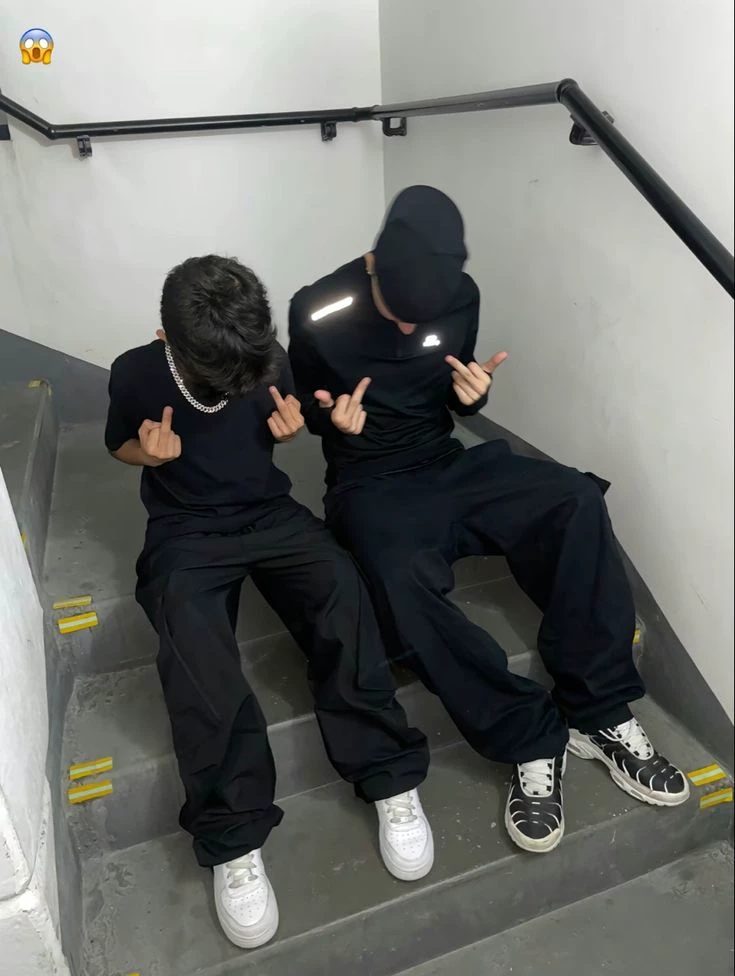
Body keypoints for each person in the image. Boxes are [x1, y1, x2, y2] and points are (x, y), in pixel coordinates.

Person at [288, 185, 689, 857]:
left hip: (445, 460)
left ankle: (597, 708)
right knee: (395, 574)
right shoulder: (315, 308)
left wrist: (472, 397)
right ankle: (527, 735)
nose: (410, 330)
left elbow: (450, 389)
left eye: (421, 319)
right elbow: (301, 404)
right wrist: (331, 419)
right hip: (367, 479)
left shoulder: (460, 294)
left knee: (573, 499)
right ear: (371, 265)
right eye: (398, 314)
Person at [104, 255, 434, 951]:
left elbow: (296, 416)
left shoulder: (268, 356)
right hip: (186, 528)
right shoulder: (134, 371)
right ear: (167, 338)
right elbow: (118, 445)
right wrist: (148, 454)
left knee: (341, 586)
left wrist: (303, 430)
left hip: (268, 514)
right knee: (190, 632)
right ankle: (233, 835)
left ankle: (386, 773)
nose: (244, 379)